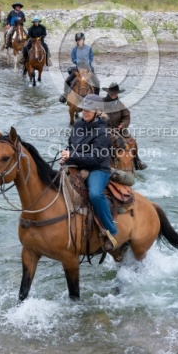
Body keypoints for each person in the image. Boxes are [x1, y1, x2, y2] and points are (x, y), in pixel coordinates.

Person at [60, 94, 118, 251]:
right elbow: (71, 145)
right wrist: (66, 155)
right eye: (84, 109)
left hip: (98, 167)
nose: (85, 112)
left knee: (94, 194)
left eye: (89, 110)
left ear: (97, 112)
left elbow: (96, 158)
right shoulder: (78, 125)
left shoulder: (102, 131)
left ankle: (111, 229)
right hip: (77, 163)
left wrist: (72, 156)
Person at [102, 82, 147, 170]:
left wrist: (122, 125)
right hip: (105, 130)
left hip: (120, 129)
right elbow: (96, 117)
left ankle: (136, 160)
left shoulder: (120, 104)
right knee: (114, 143)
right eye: (112, 93)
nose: (114, 95)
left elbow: (126, 116)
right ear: (109, 93)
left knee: (132, 141)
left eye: (115, 93)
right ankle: (107, 163)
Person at [59, 32, 100, 103]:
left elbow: (91, 57)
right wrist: (77, 62)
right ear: (76, 41)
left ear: (83, 40)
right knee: (67, 81)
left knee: (97, 82)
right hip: (78, 69)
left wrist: (88, 62)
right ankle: (66, 95)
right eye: (78, 40)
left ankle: (97, 98)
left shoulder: (88, 48)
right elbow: (73, 58)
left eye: (80, 40)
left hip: (88, 69)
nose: (79, 41)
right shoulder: (74, 50)